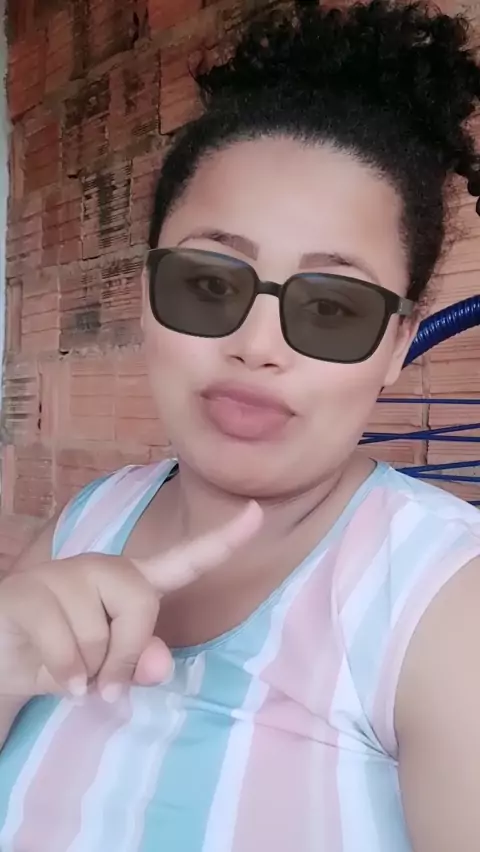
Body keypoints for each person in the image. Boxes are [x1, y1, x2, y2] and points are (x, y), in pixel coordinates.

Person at [0, 0, 479, 849]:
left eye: (332, 308)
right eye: (209, 284)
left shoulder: (444, 606)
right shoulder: (82, 525)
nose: (256, 345)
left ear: (397, 344)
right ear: (147, 298)